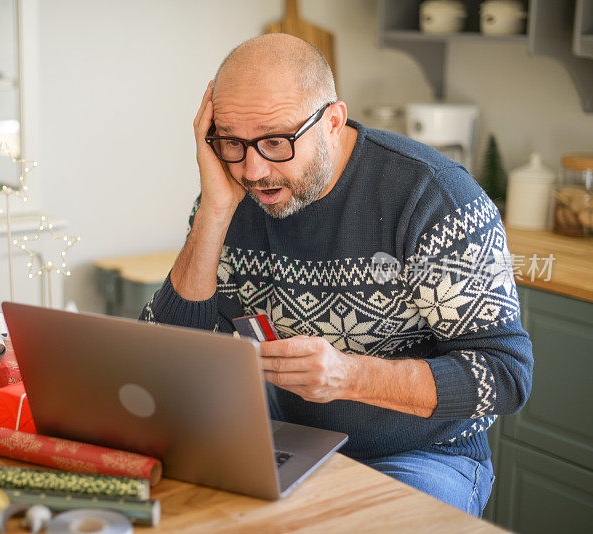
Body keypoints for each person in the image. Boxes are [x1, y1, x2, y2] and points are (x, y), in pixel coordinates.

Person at [139, 33, 532, 518]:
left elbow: (506, 376)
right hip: (286, 442)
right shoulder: (231, 192)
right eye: (231, 143)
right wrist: (214, 214)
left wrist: (350, 375)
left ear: (332, 121)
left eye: (276, 143)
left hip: (423, 458)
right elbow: (168, 355)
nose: (252, 169)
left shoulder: (431, 199)